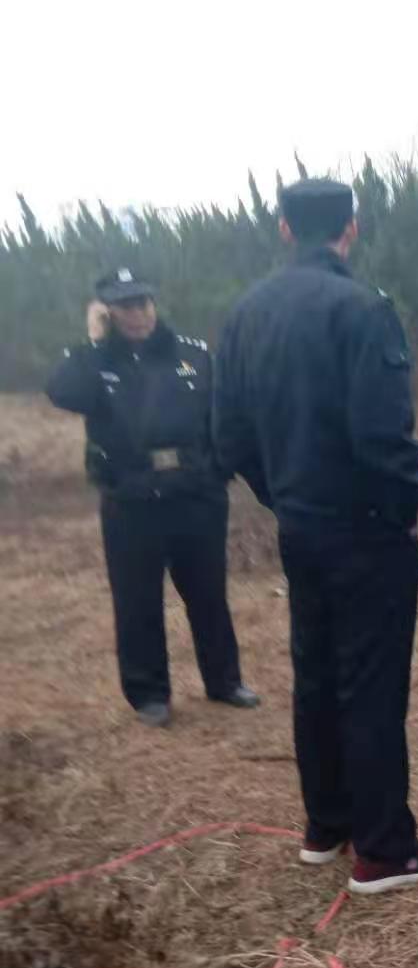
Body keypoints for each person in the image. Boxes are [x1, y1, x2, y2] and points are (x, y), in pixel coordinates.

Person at [214, 178, 418, 894]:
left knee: (317, 670)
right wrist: (404, 505)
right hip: (365, 528)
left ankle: (327, 825)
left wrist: (283, 496)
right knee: (371, 684)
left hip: (300, 524)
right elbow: (383, 433)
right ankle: (384, 850)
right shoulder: (361, 309)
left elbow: (228, 436)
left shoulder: (243, 315)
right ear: (350, 229)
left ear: (285, 229)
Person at [45, 268, 257, 728]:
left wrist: (216, 473)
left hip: (195, 497)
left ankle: (224, 681)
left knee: (208, 594)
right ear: (108, 312)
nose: (138, 313)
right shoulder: (95, 362)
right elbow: (63, 392)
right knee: (137, 601)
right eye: (125, 306)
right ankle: (149, 695)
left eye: (143, 303)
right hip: (131, 502)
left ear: (154, 304)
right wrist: (93, 341)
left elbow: (224, 416)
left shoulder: (193, 355)